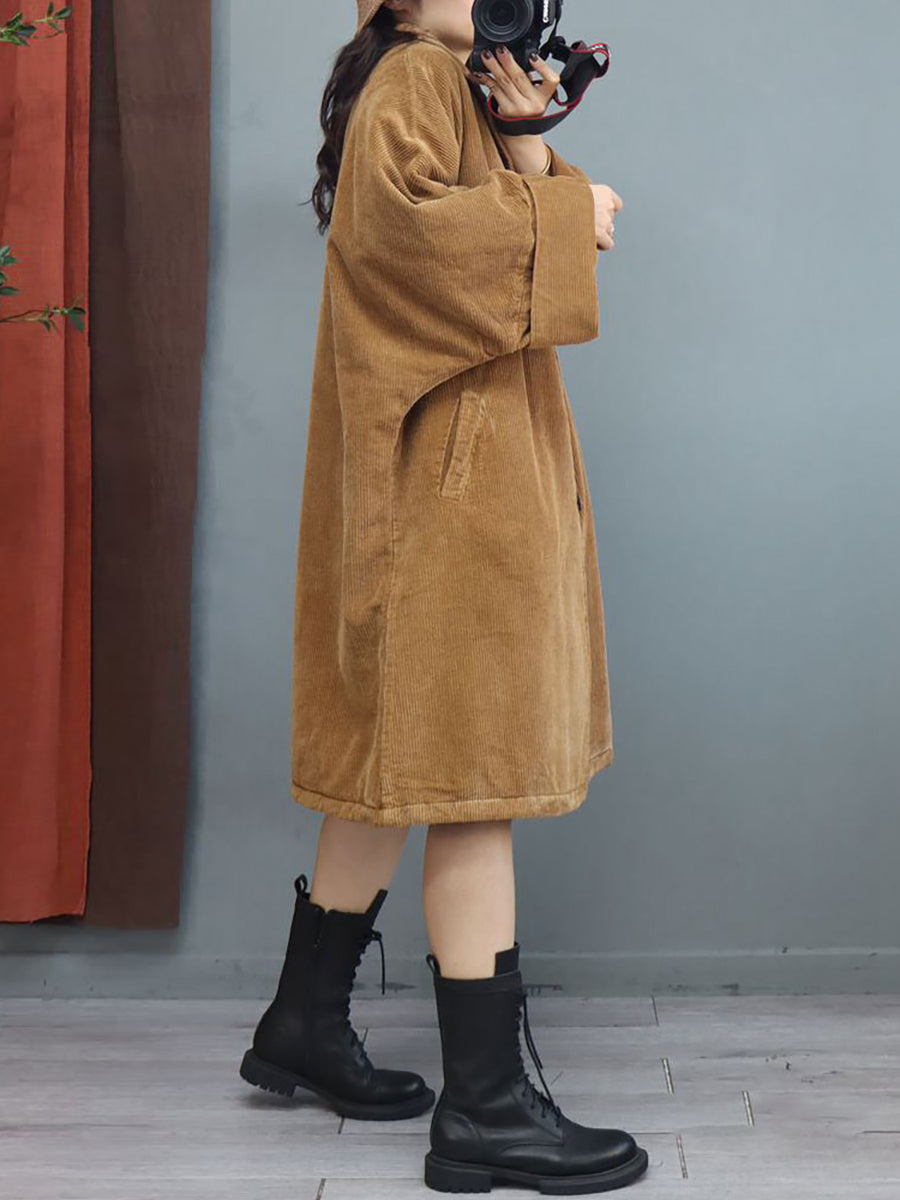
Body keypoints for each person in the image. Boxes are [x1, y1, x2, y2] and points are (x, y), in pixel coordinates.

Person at [240, 1, 645, 1193]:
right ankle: (485, 1110)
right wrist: (572, 207)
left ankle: (302, 1025)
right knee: (473, 782)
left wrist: (529, 143)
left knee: (399, 759)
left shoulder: (449, 85)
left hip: (448, 481)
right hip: (444, 497)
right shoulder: (418, 74)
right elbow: (409, 245)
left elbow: (481, 244)